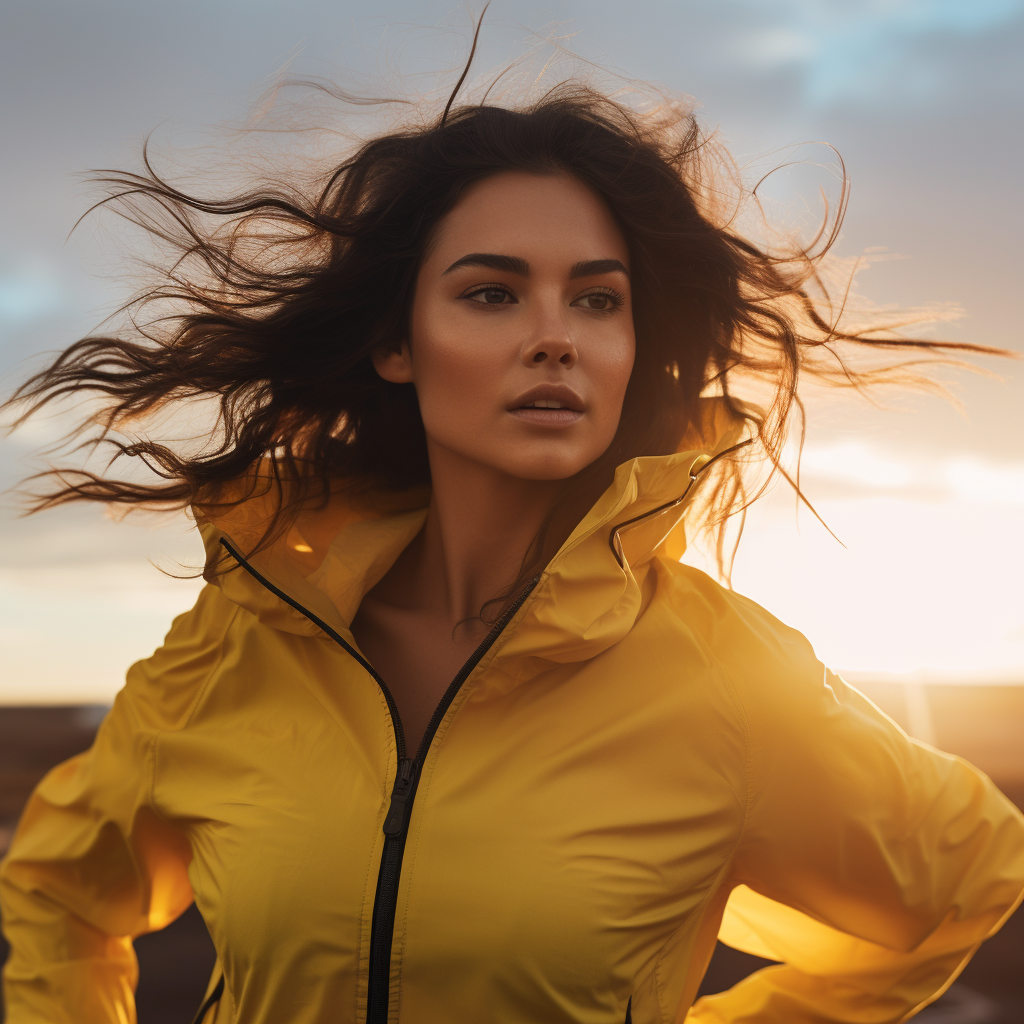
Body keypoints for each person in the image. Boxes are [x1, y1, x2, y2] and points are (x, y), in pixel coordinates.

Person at [1, 46, 1022, 1024]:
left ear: (633, 344)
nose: (555, 334)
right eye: (491, 293)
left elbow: (966, 878)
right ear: (397, 343)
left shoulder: (726, 680)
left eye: (597, 299)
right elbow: (62, 888)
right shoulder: (241, 641)